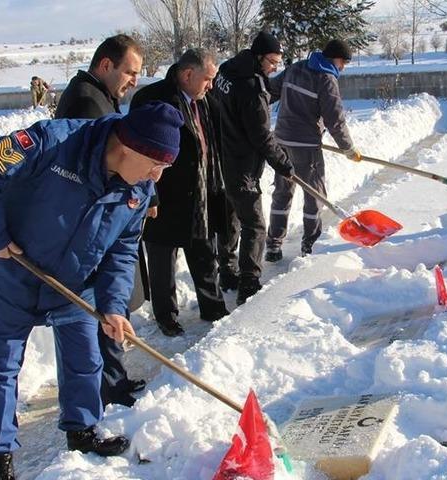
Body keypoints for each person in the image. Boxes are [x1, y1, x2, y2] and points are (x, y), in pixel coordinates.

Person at [0, 102, 184, 480]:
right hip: (10, 275)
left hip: (75, 284)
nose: (157, 176)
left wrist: (113, 306)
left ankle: (83, 430)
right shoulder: (51, 142)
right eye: (156, 165)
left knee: (84, 359)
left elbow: (122, 252)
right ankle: (0, 457)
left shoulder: (139, 190)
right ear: (128, 147)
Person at [55, 34, 151, 406]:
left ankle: (113, 379)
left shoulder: (100, 96)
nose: (133, 81)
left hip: (99, 219)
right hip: (90, 222)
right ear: (106, 65)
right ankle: (108, 385)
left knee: (111, 300)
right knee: (101, 304)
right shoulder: (85, 101)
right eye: (130, 72)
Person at [130, 49, 230, 336]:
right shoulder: (152, 99)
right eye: (208, 79)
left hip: (201, 194)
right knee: (163, 259)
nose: (211, 85)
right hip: (166, 197)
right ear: (188, 75)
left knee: (204, 253)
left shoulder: (205, 101)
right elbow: (138, 155)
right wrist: (150, 195)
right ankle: (166, 315)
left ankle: (213, 306)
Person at [211, 31, 295, 305]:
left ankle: (228, 271)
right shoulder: (252, 89)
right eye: (272, 62)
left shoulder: (227, 69)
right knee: (255, 225)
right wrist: (283, 163)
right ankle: (249, 283)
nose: (274, 67)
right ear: (259, 57)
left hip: (223, 154)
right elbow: (262, 136)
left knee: (232, 217)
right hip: (243, 165)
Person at [265, 39, 361, 261]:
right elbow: (335, 120)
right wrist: (348, 148)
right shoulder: (326, 79)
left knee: (282, 193)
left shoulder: (296, 68)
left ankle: (273, 245)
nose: (343, 67)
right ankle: (310, 244)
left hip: (281, 141)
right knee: (314, 195)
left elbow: (270, 91)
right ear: (333, 58)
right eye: (342, 62)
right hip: (307, 146)